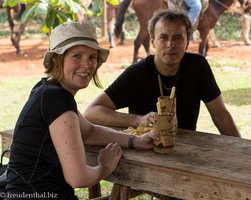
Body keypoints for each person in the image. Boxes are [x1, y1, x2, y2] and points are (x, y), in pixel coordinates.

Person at [5, 21, 157, 200]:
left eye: (92, 57)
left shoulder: (45, 89)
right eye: (77, 56)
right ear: (56, 59)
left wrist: (136, 141)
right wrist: (105, 166)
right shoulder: (57, 98)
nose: (87, 65)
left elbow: (89, 131)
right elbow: (78, 178)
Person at [84, 9, 240, 138]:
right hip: (146, 149)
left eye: (178, 38)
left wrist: (243, 150)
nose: (170, 44)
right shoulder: (137, 73)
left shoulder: (198, 66)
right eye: (163, 37)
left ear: (187, 41)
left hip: (188, 150)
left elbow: (221, 116)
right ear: (152, 41)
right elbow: (92, 112)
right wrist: (138, 119)